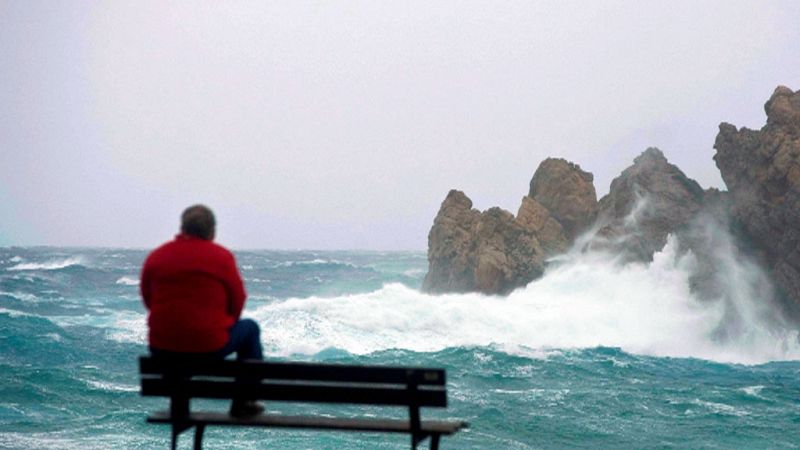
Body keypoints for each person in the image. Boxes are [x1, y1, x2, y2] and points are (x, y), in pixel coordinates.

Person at [140, 204, 264, 417]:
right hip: (209, 348)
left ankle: (179, 406)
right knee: (250, 328)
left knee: (179, 338)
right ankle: (244, 401)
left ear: (182, 228)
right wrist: (223, 325)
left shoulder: (157, 256)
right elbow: (238, 300)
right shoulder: (221, 257)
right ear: (212, 231)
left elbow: (147, 297)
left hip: (163, 351)